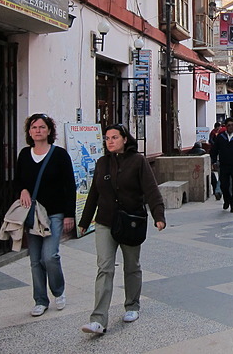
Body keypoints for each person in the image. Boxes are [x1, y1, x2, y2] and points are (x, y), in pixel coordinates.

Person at [78, 124, 166, 335]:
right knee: (105, 267)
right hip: (105, 222)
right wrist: (84, 221)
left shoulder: (138, 161)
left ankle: (132, 305)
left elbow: (151, 189)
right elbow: (94, 194)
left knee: (131, 265)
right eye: (107, 138)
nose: (110, 141)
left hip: (131, 221)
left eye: (114, 137)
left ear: (125, 139)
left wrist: (158, 215)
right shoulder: (102, 163)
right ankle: (98, 319)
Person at [14, 113, 76, 317]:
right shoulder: (24, 154)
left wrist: (69, 215)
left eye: (41, 127)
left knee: (49, 256)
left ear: (49, 130)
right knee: (35, 260)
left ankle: (58, 292)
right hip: (32, 214)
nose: (37, 131)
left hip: (54, 214)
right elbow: (18, 181)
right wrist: (22, 190)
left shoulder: (59, 155)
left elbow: (69, 185)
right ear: (29, 132)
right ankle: (40, 300)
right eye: (34, 128)